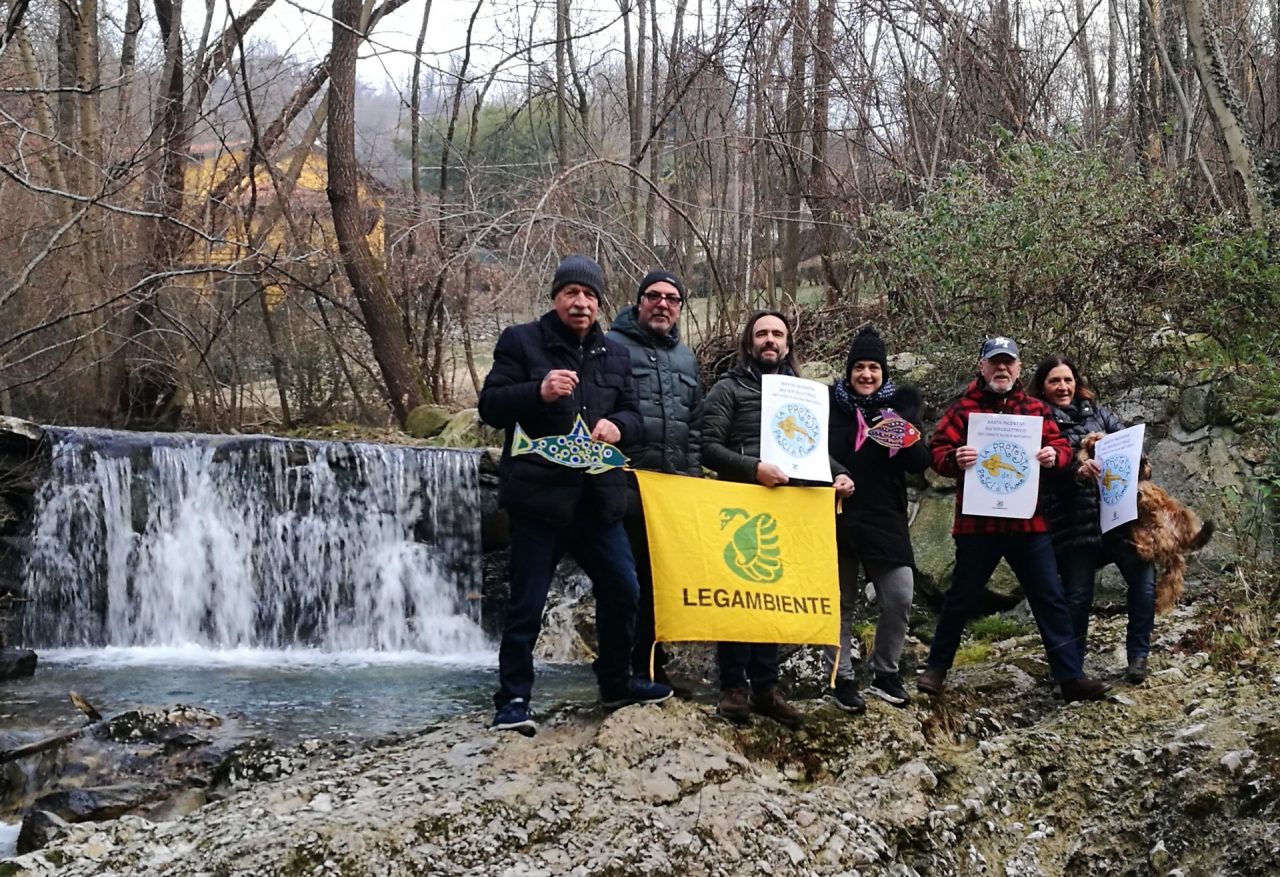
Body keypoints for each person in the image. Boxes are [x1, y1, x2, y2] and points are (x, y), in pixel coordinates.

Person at [478, 254, 673, 736]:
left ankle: (615, 681)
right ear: (555, 298)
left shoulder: (616, 354)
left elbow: (636, 420)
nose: (581, 303)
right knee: (526, 603)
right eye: (572, 294)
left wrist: (618, 427)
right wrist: (537, 391)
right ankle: (513, 700)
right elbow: (491, 407)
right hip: (539, 501)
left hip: (598, 500)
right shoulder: (520, 341)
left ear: (600, 303)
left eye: (589, 296)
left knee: (624, 589)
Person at [919, 336, 1110, 703]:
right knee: (960, 598)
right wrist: (954, 458)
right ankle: (936, 670)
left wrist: (1055, 457)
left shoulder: (1036, 410)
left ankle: (1070, 676)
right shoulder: (963, 410)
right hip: (978, 525)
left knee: (1050, 598)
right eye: (995, 362)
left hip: (1028, 524)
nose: (1002, 369)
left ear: (1019, 369)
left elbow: (1063, 451)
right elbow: (937, 453)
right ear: (982, 367)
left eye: (1009, 363)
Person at [701, 310, 855, 728]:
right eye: (762, 333)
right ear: (749, 342)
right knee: (739, 595)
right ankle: (733, 688)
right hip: (741, 505)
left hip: (788, 509)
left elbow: (809, 450)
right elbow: (707, 447)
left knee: (773, 596)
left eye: (778, 334)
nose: (770, 340)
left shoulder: (801, 394)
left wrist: (838, 472)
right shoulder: (727, 388)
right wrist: (753, 469)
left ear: (788, 344)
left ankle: (766, 689)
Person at [1032, 355, 1157, 683]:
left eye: (1068, 380)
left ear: (1077, 382)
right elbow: (1044, 470)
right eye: (1055, 381)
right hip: (1072, 521)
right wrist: (1076, 470)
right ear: (1042, 387)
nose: (1063, 387)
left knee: (1144, 574)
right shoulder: (1038, 418)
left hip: (1116, 515)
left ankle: (1138, 656)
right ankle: (1070, 672)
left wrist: (1139, 461)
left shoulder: (1098, 413)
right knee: (1078, 595)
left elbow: (1127, 445)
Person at [606, 269, 703, 688]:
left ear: (680, 308)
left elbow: (695, 427)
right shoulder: (610, 347)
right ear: (639, 301)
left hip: (674, 489)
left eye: (672, 299)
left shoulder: (686, 358)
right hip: (625, 484)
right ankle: (619, 672)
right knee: (624, 583)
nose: (663, 304)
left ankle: (652, 669)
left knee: (662, 583)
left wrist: (694, 481)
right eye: (654, 296)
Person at [824, 326, 929, 711]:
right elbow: (809, 450)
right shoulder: (829, 406)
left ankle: (886, 673)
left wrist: (904, 434)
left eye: (874, 368)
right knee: (841, 603)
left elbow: (922, 463)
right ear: (849, 371)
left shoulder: (898, 411)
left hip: (886, 516)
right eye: (859, 368)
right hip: (836, 515)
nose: (866, 375)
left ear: (884, 374)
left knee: (900, 595)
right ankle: (841, 678)